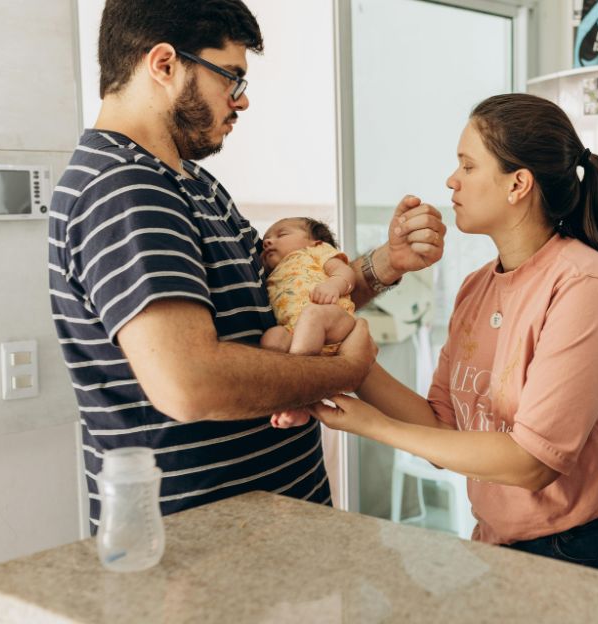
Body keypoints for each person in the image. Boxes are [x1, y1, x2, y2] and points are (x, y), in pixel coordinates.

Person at [47, 0, 446, 529]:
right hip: (204, 543)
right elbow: (189, 384)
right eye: (231, 78)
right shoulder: (126, 190)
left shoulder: (191, 182)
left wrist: (382, 265)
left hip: (273, 523)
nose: (242, 100)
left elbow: (282, 303)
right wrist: (344, 371)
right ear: (164, 64)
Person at [312, 93, 598, 575]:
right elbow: (442, 430)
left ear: (518, 184)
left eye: (468, 165)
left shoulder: (587, 287)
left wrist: (373, 426)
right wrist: (350, 362)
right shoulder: (477, 287)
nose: (451, 180)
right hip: (503, 542)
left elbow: (532, 463)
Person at [260, 217, 357, 429]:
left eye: (281, 234)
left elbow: (345, 272)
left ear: (315, 241)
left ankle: (298, 398)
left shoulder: (315, 251)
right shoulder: (270, 275)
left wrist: (334, 285)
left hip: (333, 322)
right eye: (266, 239)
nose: (267, 242)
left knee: (312, 314)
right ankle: (284, 398)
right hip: (298, 337)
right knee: (273, 337)